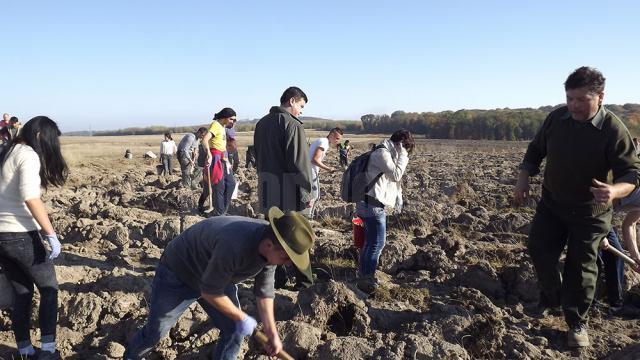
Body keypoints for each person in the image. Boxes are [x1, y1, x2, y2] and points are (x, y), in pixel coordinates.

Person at [513, 66, 640, 348]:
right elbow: (535, 150)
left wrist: (613, 191)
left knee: (581, 269)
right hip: (553, 204)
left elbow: (630, 175)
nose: (574, 105)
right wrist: (523, 178)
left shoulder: (613, 130)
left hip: (590, 214)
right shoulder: (557, 118)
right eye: (570, 98)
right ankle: (551, 296)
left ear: (600, 98)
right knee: (539, 249)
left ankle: (576, 321)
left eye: (581, 99)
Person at [124, 207, 315, 360]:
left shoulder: (271, 248)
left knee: (234, 331)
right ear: (269, 245)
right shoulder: (235, 244)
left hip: (217, 276)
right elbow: (210, 291)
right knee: (155, 333)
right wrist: (241, 317)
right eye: (286, 257)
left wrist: (272, 333)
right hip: (179, 272)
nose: (288, 263)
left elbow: (264, 292)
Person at [0, 116, 69, 359]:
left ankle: (25, 351)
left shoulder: (8, 151)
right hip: (19, 235)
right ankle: (48, 351)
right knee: (49, 288)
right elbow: (31, 197)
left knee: (23, 293)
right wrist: (50, 234)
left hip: (2, 236)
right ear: (39, 135)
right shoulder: (27, 154)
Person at [254, 87, 313, 289]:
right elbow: (299, 163)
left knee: (273, 235)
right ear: (291, 101)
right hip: (289, 191)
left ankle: (275, 280)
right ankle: (304, 282)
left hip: (267, 189)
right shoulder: (292, 125)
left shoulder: (261, 124)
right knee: (296, 234)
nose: (301, 112)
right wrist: (308, 192)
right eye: (301, 106)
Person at [356, 130, 413, 294]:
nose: (406, 152)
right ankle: (368, 278)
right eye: (405, 147)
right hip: (372, 206)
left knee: (369, 243)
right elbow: (396, 174)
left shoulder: (383, 151)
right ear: (400, 144)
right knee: (376, 244)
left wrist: (398, 198)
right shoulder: (382, 152)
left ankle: (365, 276)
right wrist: (403, 155)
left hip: (369, 203)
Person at [199, 108, 237, 216]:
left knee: (231, 184)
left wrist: (228, 161)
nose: (232, 122)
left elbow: (222, 146)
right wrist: (209, 154)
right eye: (231, 119)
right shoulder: (215, 125)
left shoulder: (222, 127)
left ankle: (222, 210)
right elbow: (205, 140)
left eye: (234, 120)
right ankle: (219, 213)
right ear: (225, 118)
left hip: (223, 158)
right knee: (219, 186)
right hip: (215, 158)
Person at [303, 127, 343, 219]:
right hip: (311, 171)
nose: (337, 141)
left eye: (339, 139)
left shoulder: (322, 141)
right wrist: (328, 168)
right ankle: (308, 218)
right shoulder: (323, 142)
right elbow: (314, 159)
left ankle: (305, 216)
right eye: (337, 138)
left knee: (310, 196)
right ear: (331, 135)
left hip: (308, 170)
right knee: (315, 196)